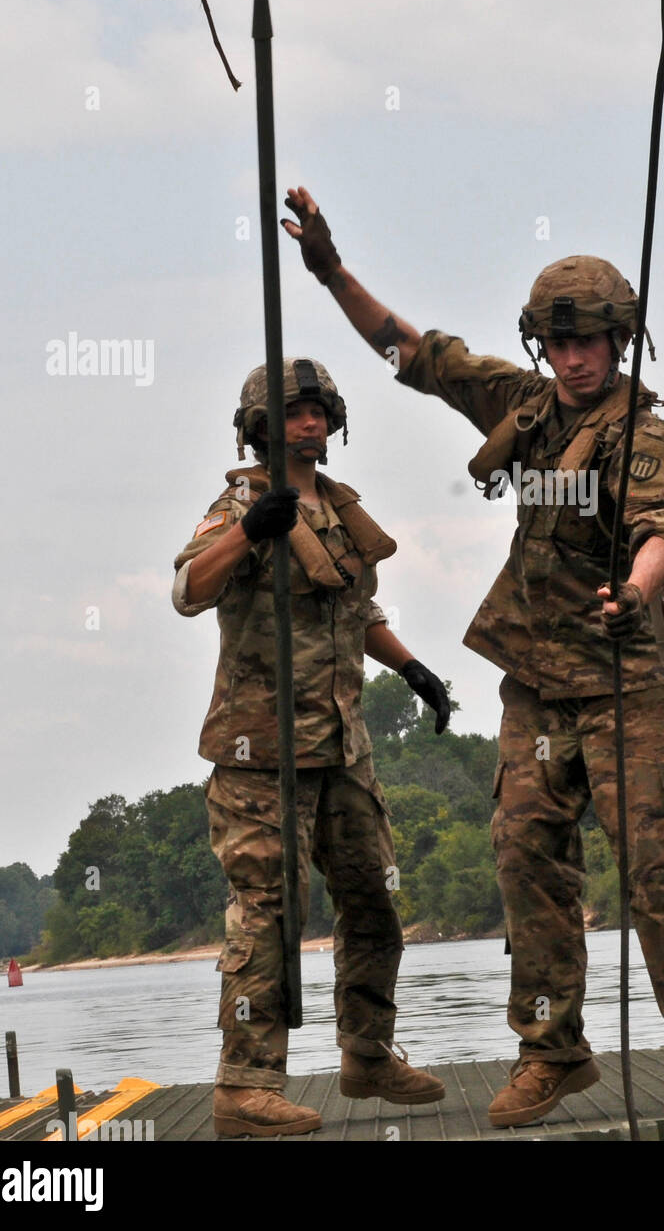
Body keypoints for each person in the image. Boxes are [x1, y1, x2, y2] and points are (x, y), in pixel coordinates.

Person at [280, 188, 664, 1129]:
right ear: (543, 345)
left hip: (633, 684)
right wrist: (331, 269)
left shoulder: (647, 437)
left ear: (621, 343)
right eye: (559, 342)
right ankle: (551, 1052)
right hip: (537, 684)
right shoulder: (525, 406)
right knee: (526, 860)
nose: (574, 359)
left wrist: (638, 591)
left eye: (590, 342)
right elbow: (412, 355)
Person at [173, 356, 452, 1137]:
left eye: (321, 410)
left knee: (373, 903)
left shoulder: (335, 509)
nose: (311, 422)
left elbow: (356, 612)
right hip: (259, 756)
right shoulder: (242, 503)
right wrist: (246, 535)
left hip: (341, 751)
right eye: (295, 411)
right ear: (261, 424)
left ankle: (368, 1053)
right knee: (267, 916)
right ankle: (245, 1087)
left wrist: (414, 667)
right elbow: (189, 590)